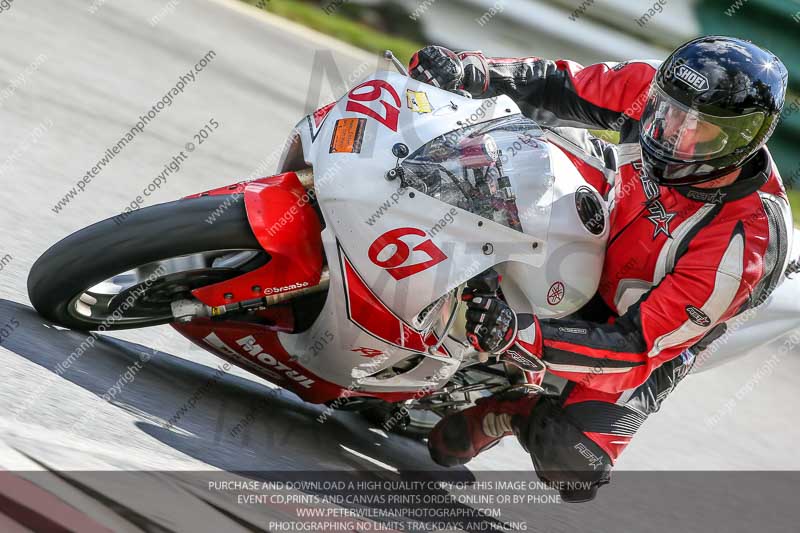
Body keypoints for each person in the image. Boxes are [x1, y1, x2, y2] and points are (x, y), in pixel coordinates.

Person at [408, 36, 792, 501]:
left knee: (574, 464)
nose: (673, 133)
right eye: (669, 113)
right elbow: (559, 84)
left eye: (699, 129)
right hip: (592, 231)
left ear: (739, 141)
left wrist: (518, 333)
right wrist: (472, 71)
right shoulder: (659, 90)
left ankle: (516, 407)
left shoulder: (747, 239)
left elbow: (636, 347)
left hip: (640, 332)